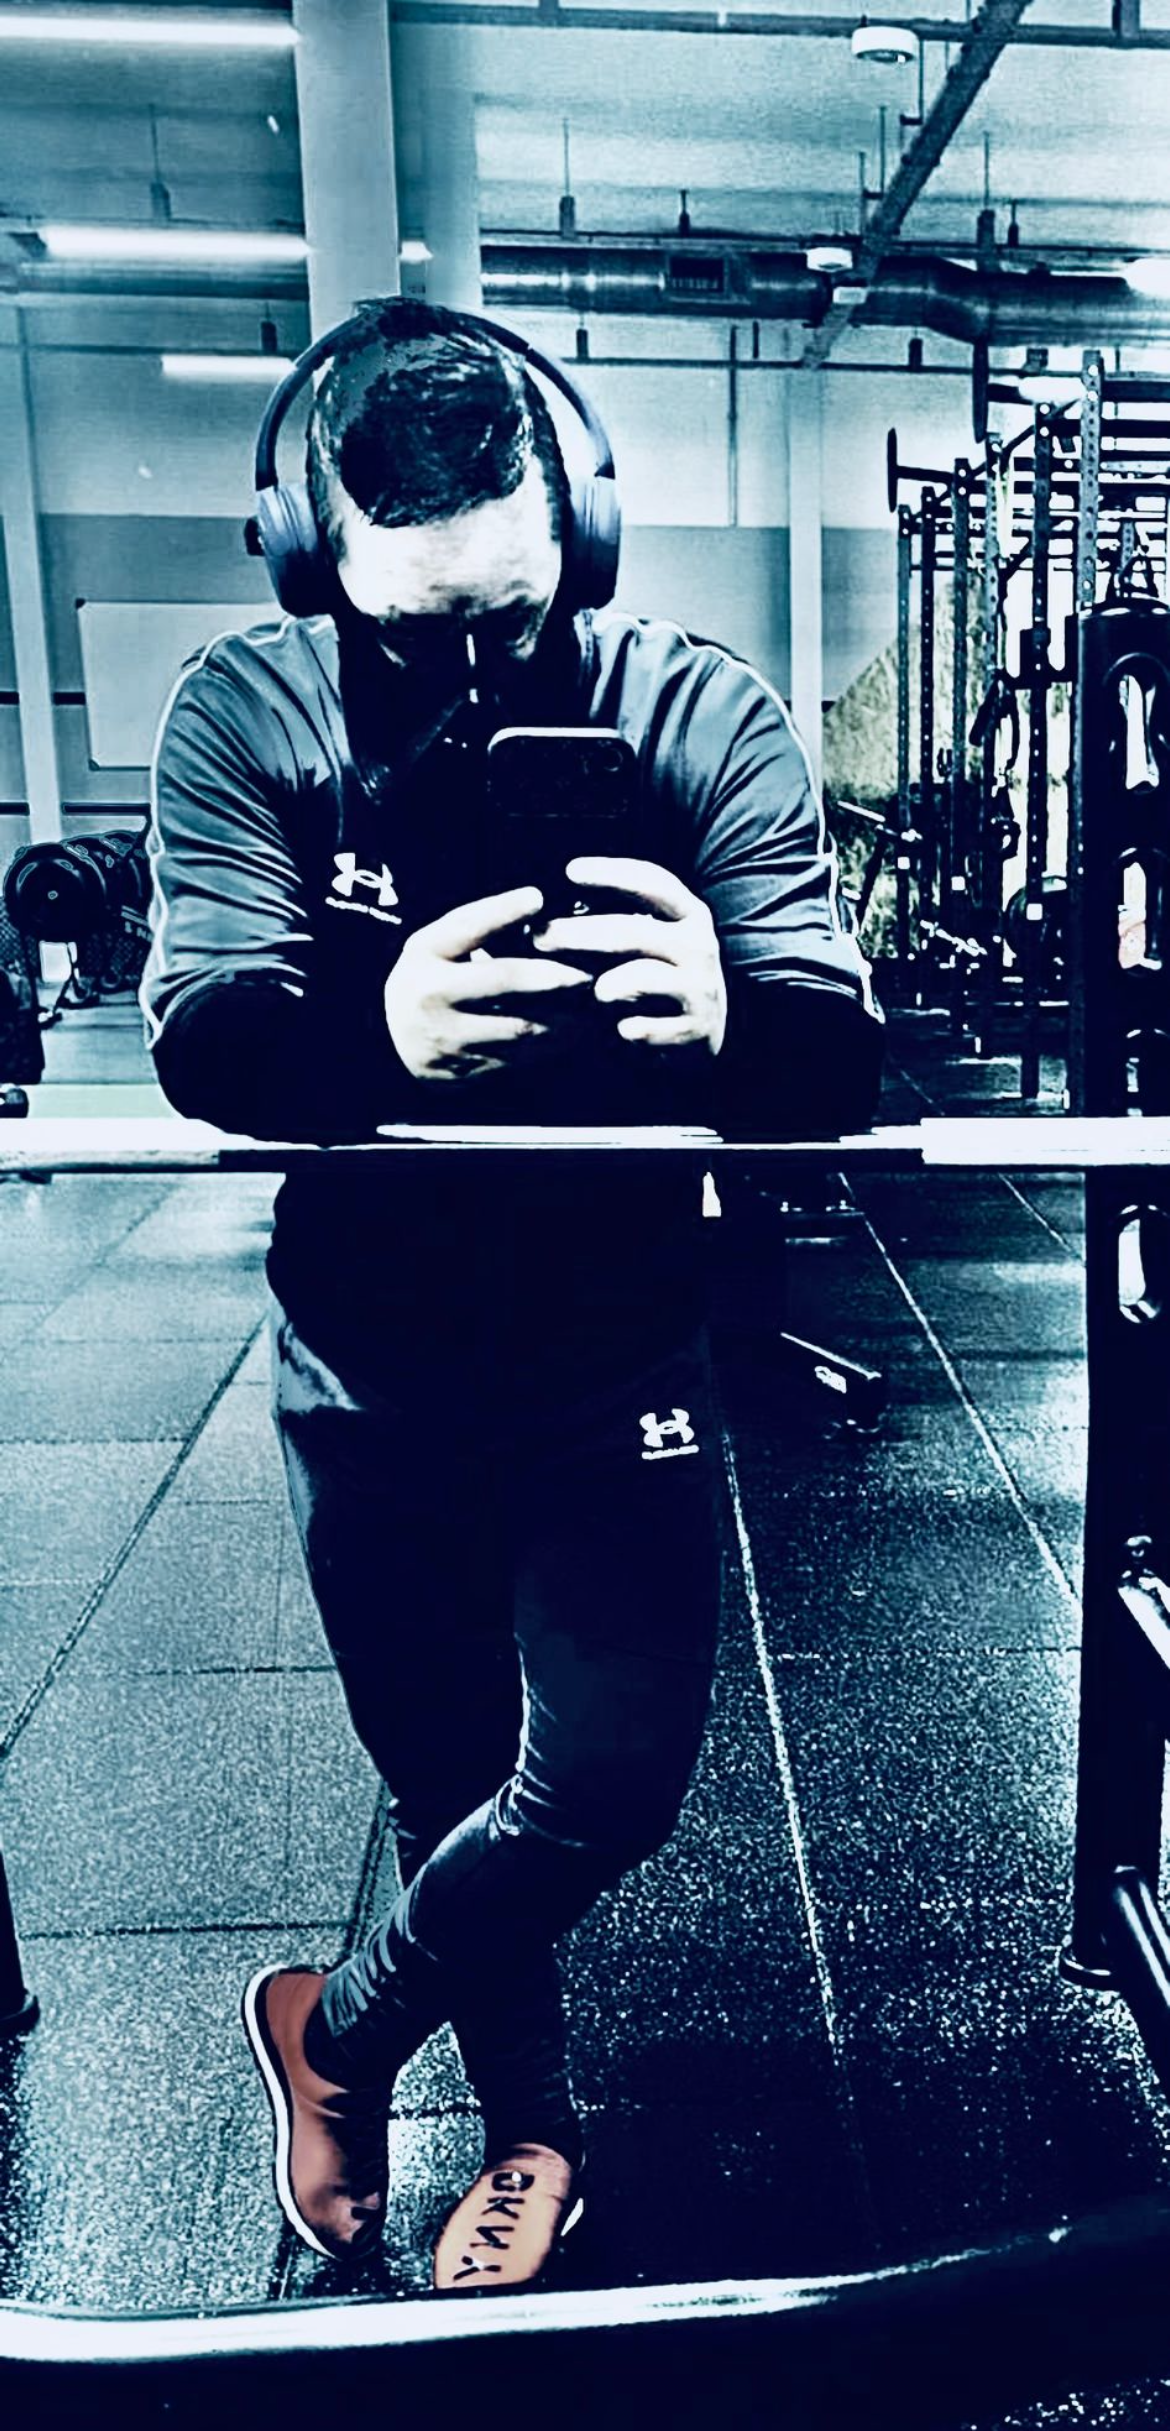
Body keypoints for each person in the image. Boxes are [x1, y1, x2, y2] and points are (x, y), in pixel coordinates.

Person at [140, 298, 882, 2293]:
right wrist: (374, 1035)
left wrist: (731, 1024)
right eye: (415, 635)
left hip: (613, 1343)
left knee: (606, 1783)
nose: (470, 675)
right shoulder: (247, 716)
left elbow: (835, 1046)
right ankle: (534, 2130)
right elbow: (208, 1035)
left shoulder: (697, 709)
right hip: (367, 1353)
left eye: (513, 618)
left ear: (588, 542)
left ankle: (337, 2032)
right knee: (444, 1773)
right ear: (315, 569)